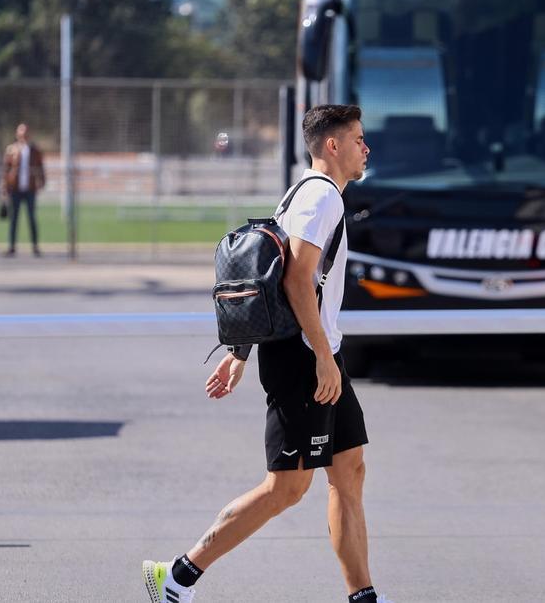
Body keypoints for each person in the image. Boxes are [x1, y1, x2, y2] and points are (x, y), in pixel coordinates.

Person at [141, 105, 393, 603]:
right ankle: (176, 577)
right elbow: (297, 281)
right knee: (286, 489)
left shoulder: (306, 194)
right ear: (334, 146)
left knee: (349, 470)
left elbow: (267, 283)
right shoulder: (321, 198)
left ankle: (363, 597)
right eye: (359, 139)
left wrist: (241, 353)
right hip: (306, 358)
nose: (367, 149)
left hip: (319, 350)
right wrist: (321, 355)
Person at [0, 123, 45, 257]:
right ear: (17, 134)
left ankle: (35, 246)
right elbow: (6, 169)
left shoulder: (34, 150)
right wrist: (4, 186)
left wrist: (41, 181)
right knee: (14, 219)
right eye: (21, 132)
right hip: (15, 189)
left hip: (30, 189)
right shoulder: (11, 149)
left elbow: (40, 167)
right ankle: (12, 246)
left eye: (25, 132)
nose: (23, 135)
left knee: (32, 218)